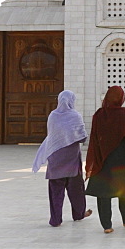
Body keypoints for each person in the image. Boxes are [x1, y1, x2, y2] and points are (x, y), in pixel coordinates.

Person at [32, 90, 93, 226]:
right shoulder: (75, 116)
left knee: (55, 192)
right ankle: (78, 214)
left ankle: (55, 219)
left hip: (55, 160)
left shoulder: (53, 116)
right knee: (76, 190)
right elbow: (83, 137)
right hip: (71, 161)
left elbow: (52, 136)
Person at [85, 86, 125, 233]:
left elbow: (94, 138)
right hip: (120, 158)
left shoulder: (99, 114)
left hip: (102, 157)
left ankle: (107, 226)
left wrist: (93, 159)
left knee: (103, 192)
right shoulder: (123, 113)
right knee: (123, 189)